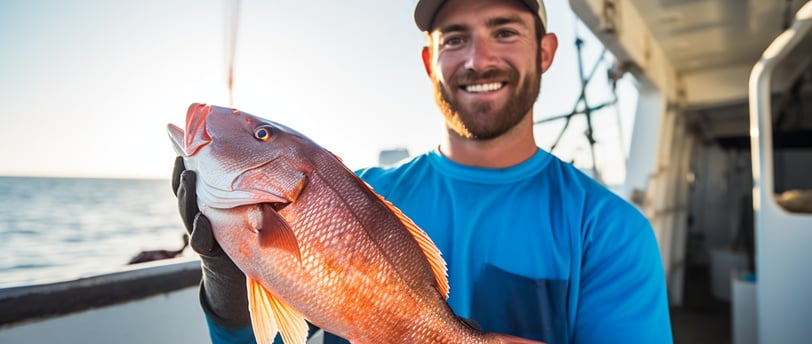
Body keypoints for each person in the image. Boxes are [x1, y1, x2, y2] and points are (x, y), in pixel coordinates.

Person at [173, 0, 673, 343]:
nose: (478, 59)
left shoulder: (611, 230)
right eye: (455, 39)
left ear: (545, 53)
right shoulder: (366, 192)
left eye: (504, 31)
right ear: (429, 59)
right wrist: (229, 290)